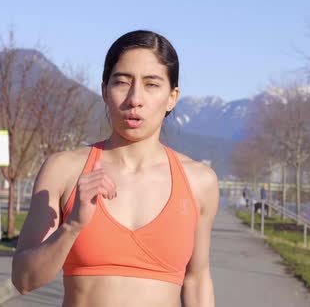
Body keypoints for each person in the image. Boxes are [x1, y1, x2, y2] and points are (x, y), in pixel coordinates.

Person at [12, 30, 219, 306]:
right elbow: (24, 280)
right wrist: (72, 226)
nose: (135, 98)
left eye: (152, 84)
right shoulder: (64, 170)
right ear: (104, 90)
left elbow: (197, 280)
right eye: (122, 82)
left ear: (172, 96)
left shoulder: (199, 181)